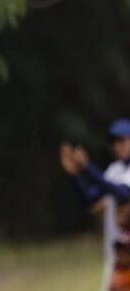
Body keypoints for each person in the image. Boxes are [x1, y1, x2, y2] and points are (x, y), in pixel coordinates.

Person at [60, 118, 130, 291]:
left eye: (122, 140)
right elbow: (90, 198)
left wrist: (87, 167)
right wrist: (76, 175)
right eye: (114, 142)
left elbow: (122, 192)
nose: (117, 146)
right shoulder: (115, 170)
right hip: (116, 254)